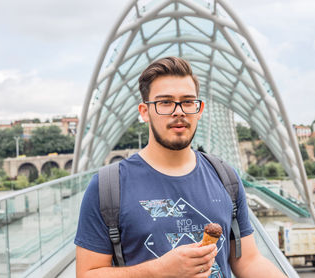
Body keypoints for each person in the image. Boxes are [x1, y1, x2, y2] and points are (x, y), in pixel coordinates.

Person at [75, 56, 285, 278]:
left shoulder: (225, 177)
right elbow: (87, 274)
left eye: (187, 101)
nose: (179, 111)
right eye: (165, 102)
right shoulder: (108, 186)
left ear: (199, 109)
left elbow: (249, 261)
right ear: (144, 111)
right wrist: (159, 271)